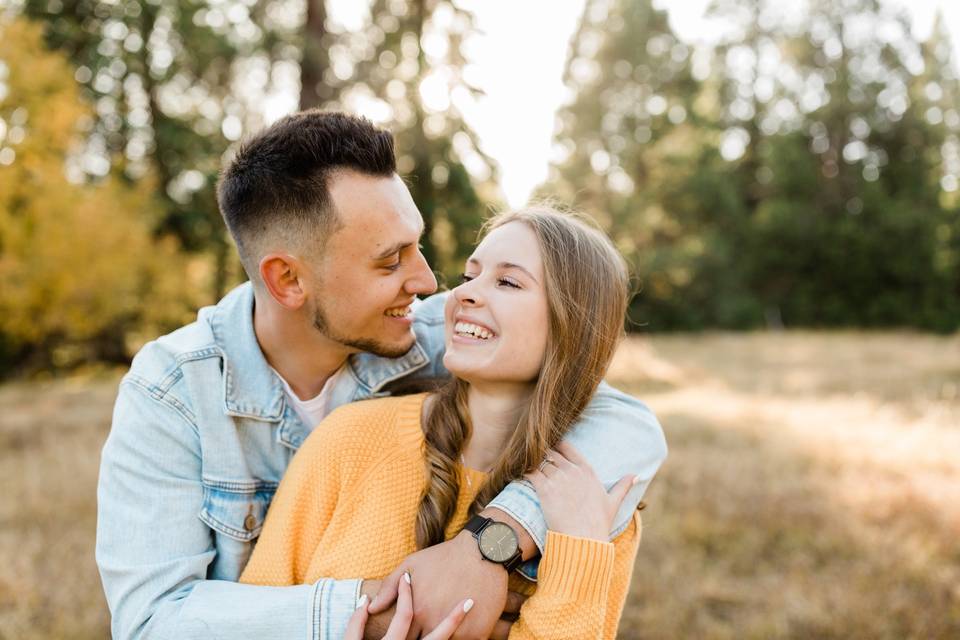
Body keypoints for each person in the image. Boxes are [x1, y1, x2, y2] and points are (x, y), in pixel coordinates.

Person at [95, 111, 667, 639]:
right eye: (390, 261)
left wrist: (487, 545)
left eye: (417, 247)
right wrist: (388, 607)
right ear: (288, 281)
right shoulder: (172, 393)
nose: (429, 284)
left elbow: (617, 418)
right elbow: (152, 624)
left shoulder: (432, 333)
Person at [240, 207, 647, 639]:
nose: (462, 295)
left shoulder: (589, 510)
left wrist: (580, 550)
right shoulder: (348, 438)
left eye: (507, 281)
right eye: (469, 276)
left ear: (573, 326)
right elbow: (248, 622)